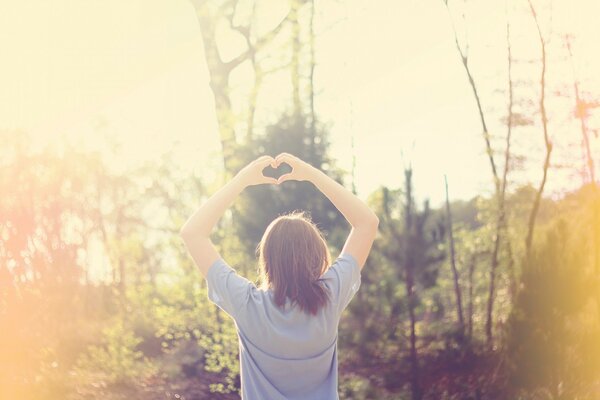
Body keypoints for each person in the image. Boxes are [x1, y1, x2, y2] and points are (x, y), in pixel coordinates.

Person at [180, 153, 379, 400]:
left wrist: (241, 180)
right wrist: (311, 175)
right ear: (317, 255)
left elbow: (193, 233)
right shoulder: (331, 296)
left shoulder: (246, 303)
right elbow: (367, 223)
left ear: (266, 259)